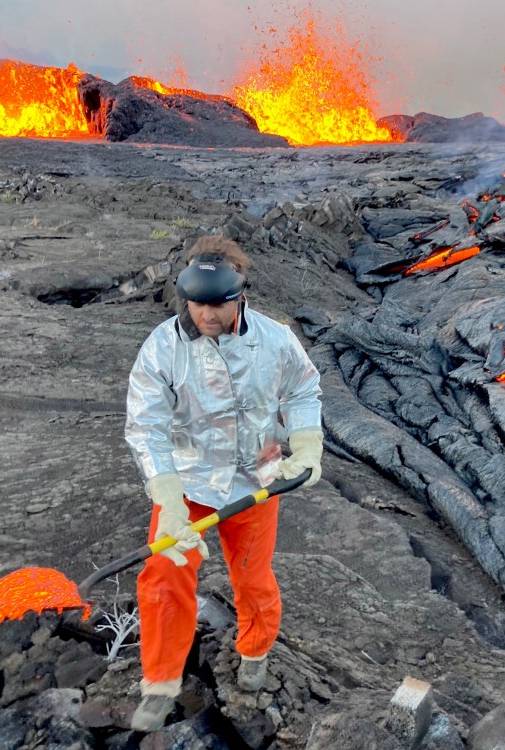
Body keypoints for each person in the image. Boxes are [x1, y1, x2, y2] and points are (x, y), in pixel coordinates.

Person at [124, 235, 323, 732]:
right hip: (186, 485)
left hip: (255, 481)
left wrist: (306, 441)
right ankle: (161, 682)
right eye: (197, 304)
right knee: (165, 575)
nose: (207, 316)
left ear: (240, 295)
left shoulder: (275, 339)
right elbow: (146, 426)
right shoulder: (162, 348)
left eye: (218, 304)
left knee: (253, 576)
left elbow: (302, 387)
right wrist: (167, 500)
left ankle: (254, 649)